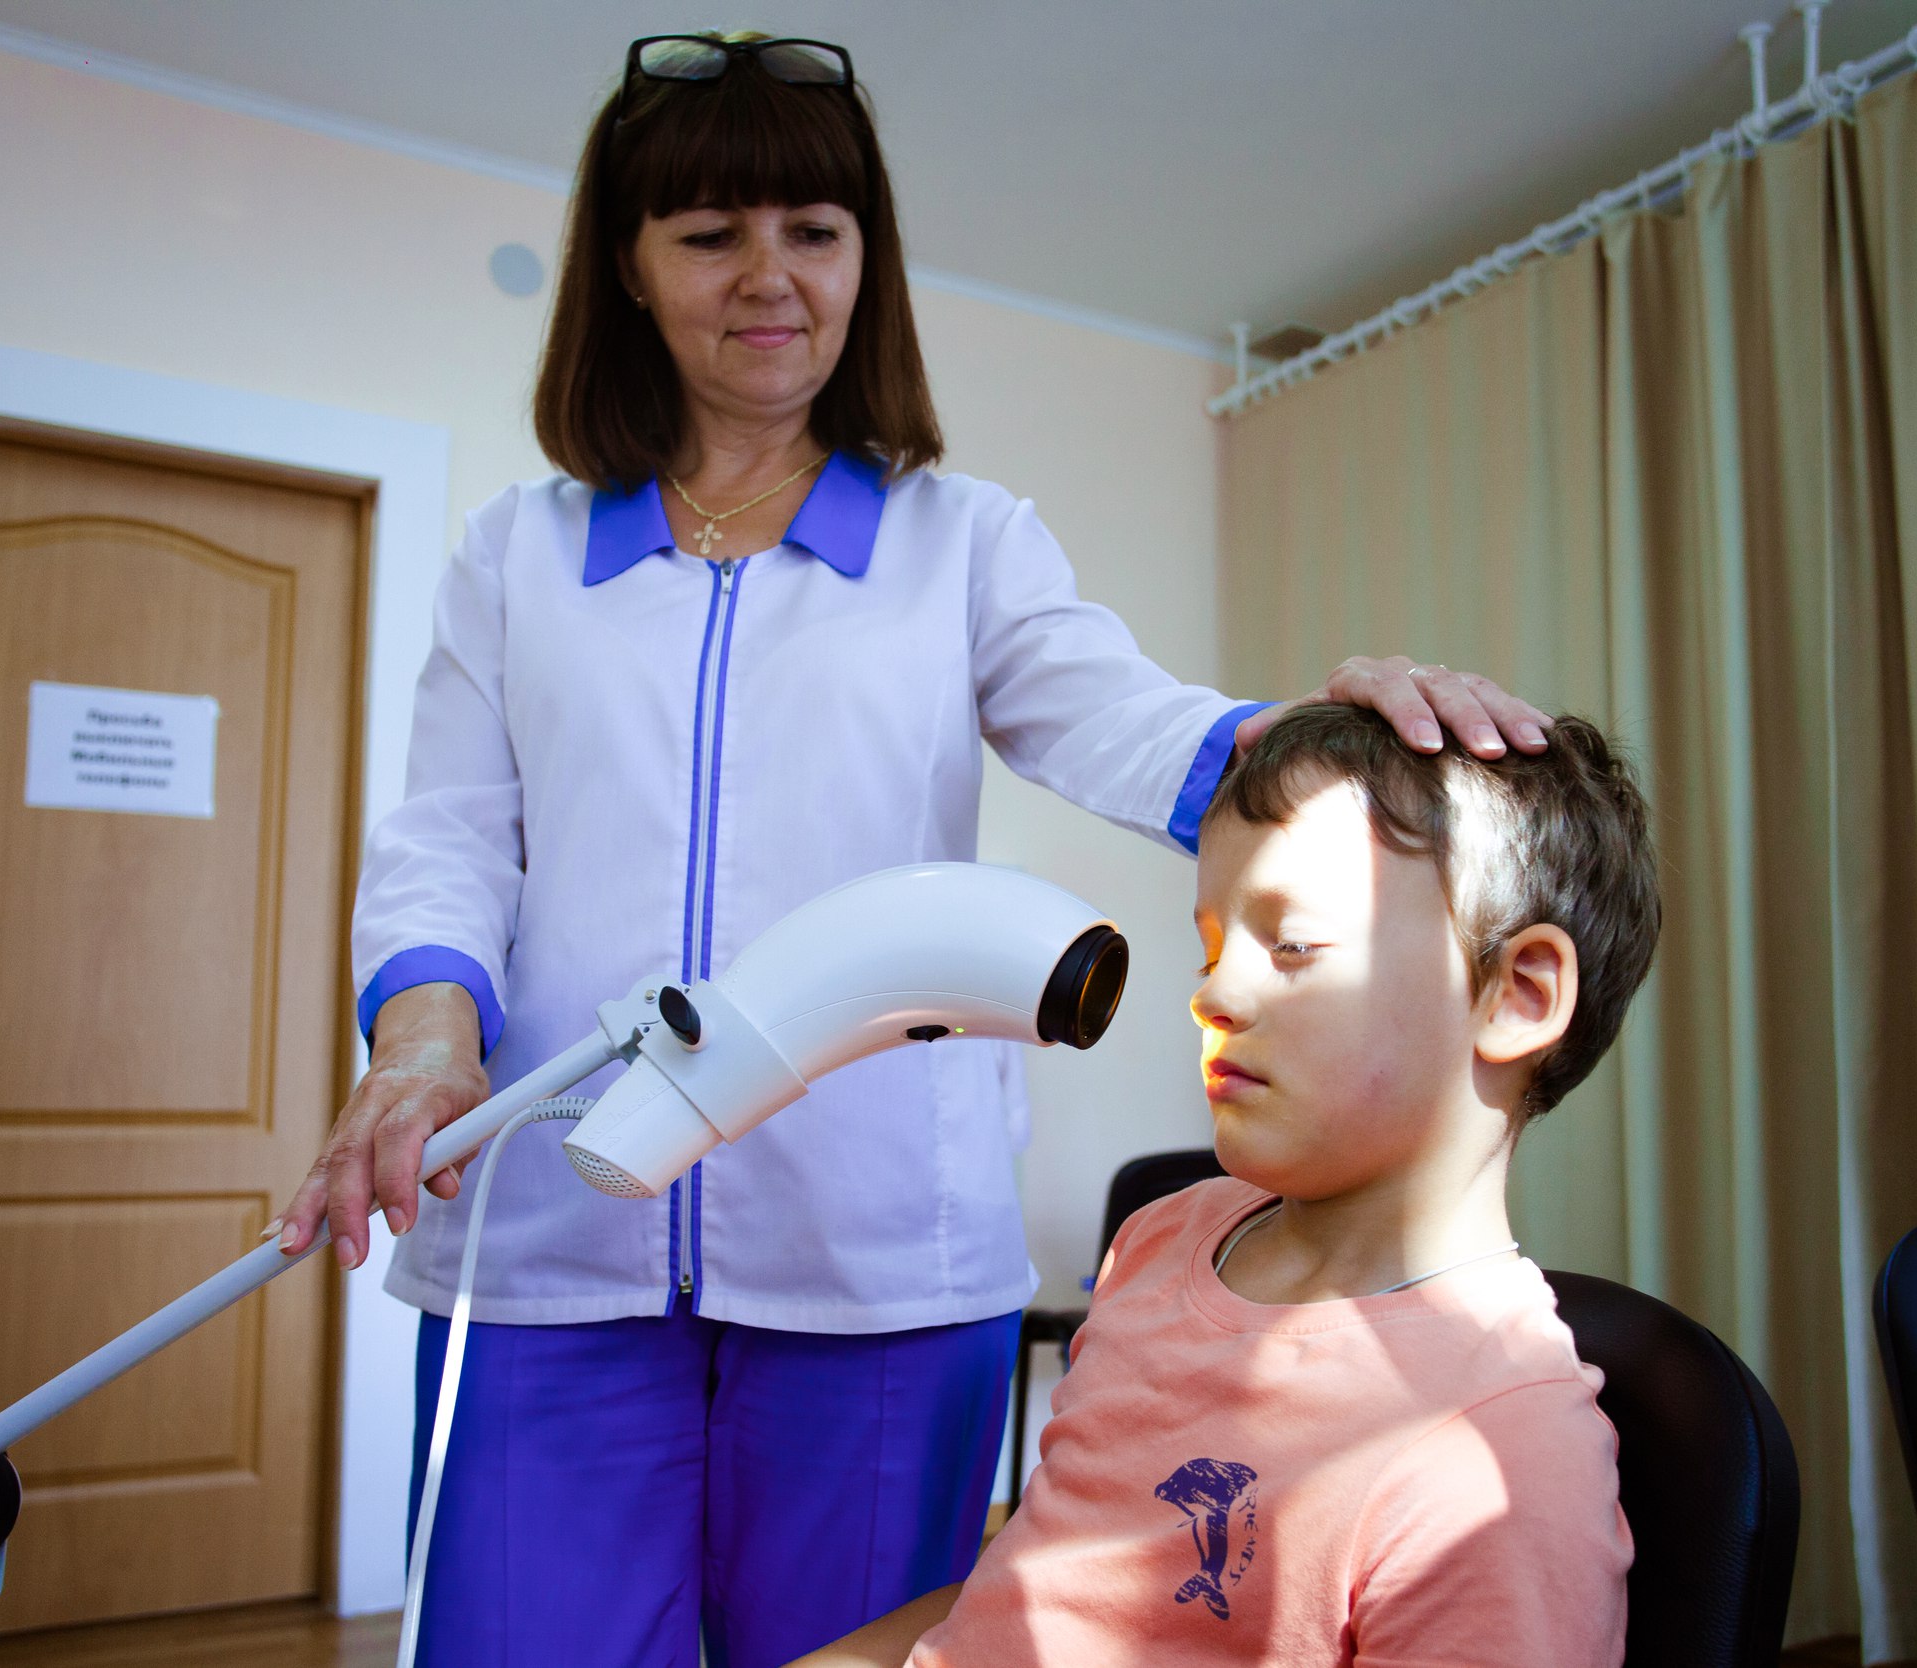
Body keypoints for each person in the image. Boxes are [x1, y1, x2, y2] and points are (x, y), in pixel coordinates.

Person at [269, 34, 1554, 1668]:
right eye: (711, 233)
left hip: (875, 1268)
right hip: (548, 1247)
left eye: (815, 229)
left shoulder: (964, 544)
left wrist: (1332, 734)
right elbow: (447, 836)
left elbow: (1135, 727)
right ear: (630, 267)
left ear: (865, 259)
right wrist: (419, 1041)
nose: (771, 276)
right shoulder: (515, 556)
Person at [791, 702, 1658, 1667]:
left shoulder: (1496, 1460)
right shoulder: (1161, 1242)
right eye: (1212, 949)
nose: (1212, 993)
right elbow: (1034, 1594)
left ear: (1519, 994)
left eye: (1293, 946)